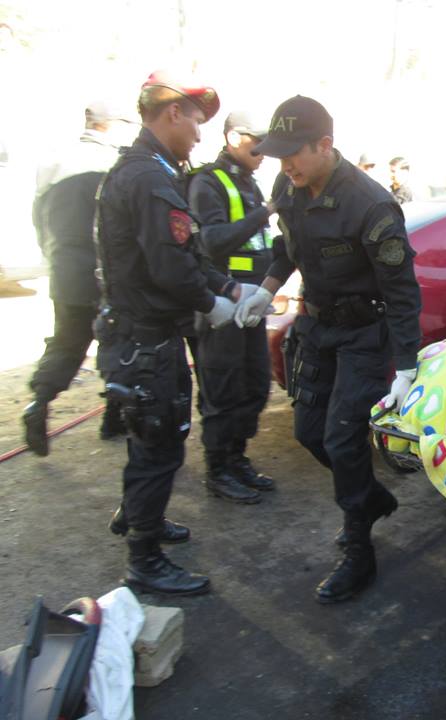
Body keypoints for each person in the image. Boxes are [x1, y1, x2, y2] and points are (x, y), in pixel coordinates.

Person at [234, 95, 422, 604]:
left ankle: (359, 552)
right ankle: (372, 499)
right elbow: (286, 248)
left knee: (343, 440)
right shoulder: (288, 186)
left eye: (293, 152)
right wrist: (266, 289)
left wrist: (407, 366)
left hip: (364, 335)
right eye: (278, 154)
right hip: (316, 328)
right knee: (310, 433)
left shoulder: (371, 204)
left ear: (325, 145)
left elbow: (402, 290)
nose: (285, 165)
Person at [95, 70, 249, 595]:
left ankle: (143, 516)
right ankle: (144, 557)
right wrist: (211, 303)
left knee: (153, 437)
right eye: (196, 122)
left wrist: (228, 288)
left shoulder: (149, 171)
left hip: (142, 335)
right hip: (145, 339)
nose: (200, 135)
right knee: (159, 444)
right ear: (172, 112)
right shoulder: (149, 178)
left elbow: (185, 251)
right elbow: (170, 267)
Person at [22, 101, 127, 456]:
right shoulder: (114, 162)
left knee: (67, 341)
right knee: (118, 340)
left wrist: (54, 259)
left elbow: (39, 220)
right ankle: (114, 416)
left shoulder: (53, 162)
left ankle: (39, 401)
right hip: (104, 271)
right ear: (106, 125)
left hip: (65, 270)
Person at [187, 110, 276, 504]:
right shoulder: (208, 182)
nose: (263, 150)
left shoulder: (248, 182)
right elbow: (213, 242)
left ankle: (237, 458)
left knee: (254, 384)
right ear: (233, 138)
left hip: (251, 304)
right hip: (223, 305)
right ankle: (218, 469)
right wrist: (266, 211)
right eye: (256, 141)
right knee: (222, 390)